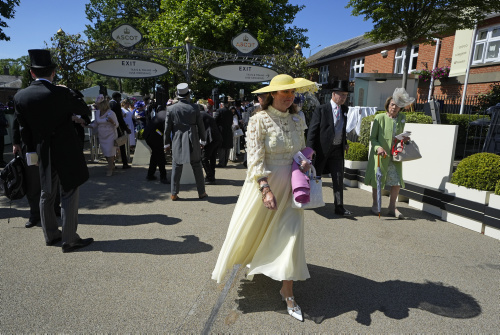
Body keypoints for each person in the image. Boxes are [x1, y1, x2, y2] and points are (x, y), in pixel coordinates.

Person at [212, 74, 317, 322]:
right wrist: (264, 188)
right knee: (256, 232)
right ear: (272, 95)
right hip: (267, 184)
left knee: (292, 236)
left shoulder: (297, 117)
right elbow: (255, 158)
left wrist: (306, 165)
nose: (289, 96)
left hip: (292, 186)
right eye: (284, 93)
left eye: (291, 92)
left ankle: (288, 292)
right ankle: (259, 260)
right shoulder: (258, 119)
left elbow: (301, 150)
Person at [13, 49, 93, 252]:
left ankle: (50, 234)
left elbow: (23, 128)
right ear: (53, 72)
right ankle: (69, 238)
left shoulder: (21, 96)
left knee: (46, 192)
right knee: (69, 191)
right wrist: (69, 90)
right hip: (65, 148)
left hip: (41, 150)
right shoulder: (62, 93)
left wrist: (30, 151)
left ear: (32, 73)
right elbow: (83, 109)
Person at [364, 88, 414, 219]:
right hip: (381, 155)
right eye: (392, 104)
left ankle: (392, 207)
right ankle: (376, 205)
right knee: (378, 180)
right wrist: (378, 148)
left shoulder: (402, 118)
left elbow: (398, 137)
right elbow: (373, 138)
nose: (395, 107)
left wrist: (404, 138)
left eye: (397, 105)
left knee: (396, 181)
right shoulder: (379, 118)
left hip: (395, 155)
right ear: (388, 105)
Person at [306, 80, 352, 216]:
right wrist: (310, 149)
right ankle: (310, 200)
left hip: (337, 150)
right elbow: (312, 130)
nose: (344, 98)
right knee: (316, 177)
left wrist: (345, 142)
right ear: (333, 94)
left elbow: (342, 128)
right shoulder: (321, 109)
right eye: (341, 95)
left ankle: (339, 207)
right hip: (321, 150)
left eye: (345, 95)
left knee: (338, 178)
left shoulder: (345, 109)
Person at [164, 83, 207, 201]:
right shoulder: (195, 107)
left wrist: (166, 144)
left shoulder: (171, 109)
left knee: (176, 165)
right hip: (192, 138)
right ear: (188, 95)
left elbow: (167, 129)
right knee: (197, 165)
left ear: (178, 95)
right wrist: (203, 140)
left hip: (177, 138)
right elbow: (201, 126)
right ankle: (201, 192)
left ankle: (173, 193)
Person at [88, 95, 118, 176]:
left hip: (111, 135)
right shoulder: (97, 113)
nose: (96, 106)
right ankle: (111, 164)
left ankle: (110, 169)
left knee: (110, 152)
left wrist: (112, 122)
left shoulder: (111, 113)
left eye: (98, 105)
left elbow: (116, 124)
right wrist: (86, 125)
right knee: (105, 152)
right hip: (102, 135)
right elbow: (95, 124)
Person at [143, 104, 169, 184]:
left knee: (155, 155)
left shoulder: (162, 114)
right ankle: (163, 177)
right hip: (155, 136)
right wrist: (167, 144)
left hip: (148, 134)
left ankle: (150, 174)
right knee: (160, 156)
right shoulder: (167, 117)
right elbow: (167, 131)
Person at [200, 104, 222, 184]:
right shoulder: (206, 114)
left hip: (211, 139)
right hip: (216, 138)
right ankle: (212, 176)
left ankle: (210, 177)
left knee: (204, 158)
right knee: (212, 158)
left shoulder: (200, 115)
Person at [109, 92, 132, 169]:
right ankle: (125, 163)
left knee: (111, 146)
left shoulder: (108, 103)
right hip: (117, 127)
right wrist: (126, 128)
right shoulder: (116, 105)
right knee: (121, 144)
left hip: (109, 128)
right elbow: (120, 118)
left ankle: (112, 163)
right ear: (117, 98)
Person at [214, 97, 233, 167]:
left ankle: (221, 163)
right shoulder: (230, 112)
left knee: (221, 147)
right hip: (228, 131)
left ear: (221, 104)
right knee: (227, 147)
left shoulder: (219, 111)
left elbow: (214, 120)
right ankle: (225, 162)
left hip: (221, 131)